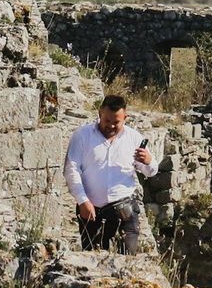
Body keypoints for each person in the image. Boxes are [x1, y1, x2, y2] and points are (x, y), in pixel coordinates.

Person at [63, 94, 157, 254]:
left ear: (125, 118)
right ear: (100, 114)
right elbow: (71, 170)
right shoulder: (82, 136)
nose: (111, 126)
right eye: (107, 121)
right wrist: (82, 200)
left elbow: (151, 171)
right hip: (91, 212)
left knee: (128, 262)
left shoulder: (133, 138)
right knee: (93, 262)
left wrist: (149, 161)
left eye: (116, 122)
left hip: (125, 213)